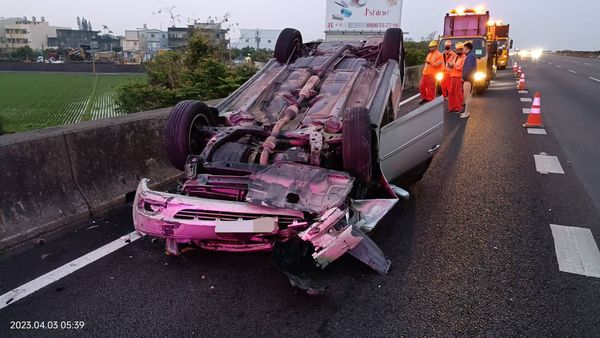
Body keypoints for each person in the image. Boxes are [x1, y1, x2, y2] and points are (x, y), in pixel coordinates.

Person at [419, 40, 443, 104]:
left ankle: (431, 100)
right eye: (430, 47)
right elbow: (426, 64)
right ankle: (424, 98)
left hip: (432, 75)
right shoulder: (429, 54)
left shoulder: (439, 55)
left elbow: (438, 64)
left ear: (435, 47)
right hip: (425, 74)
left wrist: (430, 63)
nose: (431, 48)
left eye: (432, 47)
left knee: (430, 88)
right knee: (421, 86)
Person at [447, 42, 466, 113]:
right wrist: (450, 65)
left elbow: (462, 67)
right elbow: (451, 64)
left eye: (459, 50)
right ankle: (451, 108)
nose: (457, 51)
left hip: (458, 77)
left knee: (458, 93)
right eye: (456, 50)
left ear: (462, 50)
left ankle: (458, 108)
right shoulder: (455, 57)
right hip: (452, 76)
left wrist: (453, 66)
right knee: (451, 92)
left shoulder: (464, 58)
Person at [460, 41, 477, 118]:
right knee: (468, 95)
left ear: (466, 48)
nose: (462, 50)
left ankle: (466, 113)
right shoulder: (471, 55)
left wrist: (463, 77)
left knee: (467, 96)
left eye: (463, 48)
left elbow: (468, 68)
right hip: (470, 77)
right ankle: (467, 112)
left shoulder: (470, 56)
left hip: (468, 78)